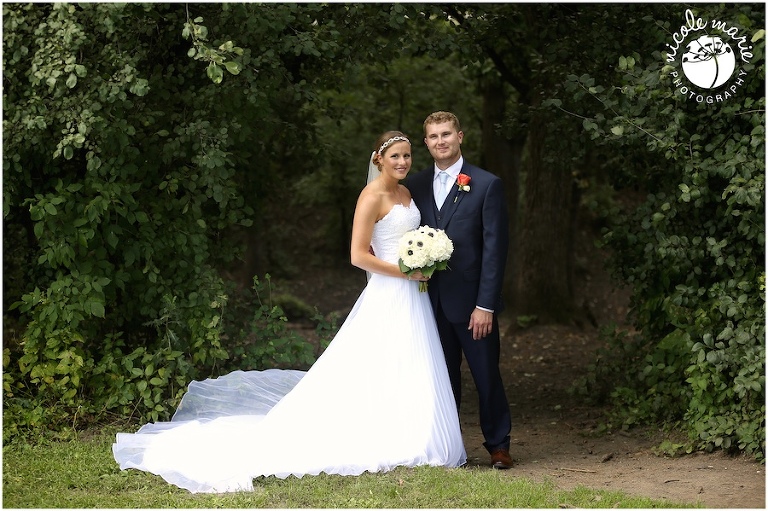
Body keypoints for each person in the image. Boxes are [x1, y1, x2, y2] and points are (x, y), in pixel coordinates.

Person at [111, 131, 466, 493]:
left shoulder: (407, 194)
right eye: (396, 157)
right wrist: (406, 271)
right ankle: (377, 430)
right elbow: (358, 256)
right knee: (378, 360)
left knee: (409, 360)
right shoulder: (370, 196)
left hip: (414, 294)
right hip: (390, 289)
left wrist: (425, 259)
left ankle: (410, 433)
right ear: (379, 160)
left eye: (407, 156)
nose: (403, 162)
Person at [405, 111, 513, 469]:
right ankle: (447, 448)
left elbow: (495, 250)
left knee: (486, 375)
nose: (440, 141)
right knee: (440, 377)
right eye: (433, 136)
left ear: (460, 136)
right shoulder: (415, 185)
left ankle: (498, 445)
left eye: (446, 134)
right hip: (426, 301)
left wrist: (486, 305)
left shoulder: (485, 184)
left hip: (471, 304)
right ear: (426, 143)